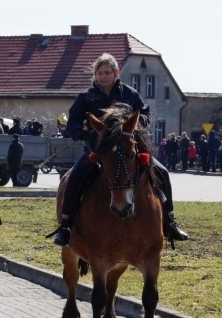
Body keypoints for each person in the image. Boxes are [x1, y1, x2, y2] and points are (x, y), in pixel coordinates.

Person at [53, 53, 188, 247]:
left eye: (107, 72)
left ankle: (170, 221)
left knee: (163, 173)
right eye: (99, 73)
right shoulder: (85, 97)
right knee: (74, 177)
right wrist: (86, 134)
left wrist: (135, 124)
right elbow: (72, 123)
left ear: (116, 73)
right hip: (98, 150)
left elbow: (145, 112)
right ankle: (65, 226)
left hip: (128, 150)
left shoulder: (129, 93)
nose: (103, 76)